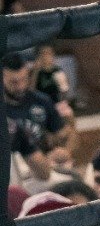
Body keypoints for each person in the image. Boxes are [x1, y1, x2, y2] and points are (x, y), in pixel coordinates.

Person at [3, 52, 65, 188]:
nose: (20, 86)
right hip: (10, 171)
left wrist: (64, 151)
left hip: (43, 165)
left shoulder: (42, 101)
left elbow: (64, 136)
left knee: (70, 184)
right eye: (14, 82)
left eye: (24, 80)